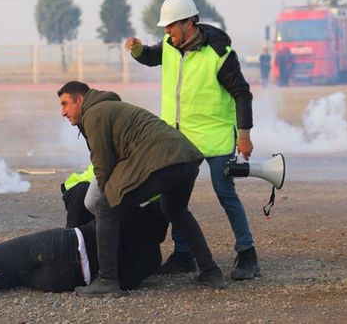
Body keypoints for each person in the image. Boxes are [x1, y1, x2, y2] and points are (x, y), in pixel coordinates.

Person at [124, 0, 260, 281]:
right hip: (179, 140)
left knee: (225, 193)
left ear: (189, 23)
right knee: (175, 198)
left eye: (172, 26)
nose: (167, 32)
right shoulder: (170, 46)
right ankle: (184, 255)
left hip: (216, 137)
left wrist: (244, 135)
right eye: (165, 28)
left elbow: (242, 93)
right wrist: (137, 50)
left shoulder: (220, 55)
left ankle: (247, 255)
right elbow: (151, 56)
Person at [58, 81, 227, 297]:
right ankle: (211, 272)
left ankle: (108, 280)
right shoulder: (110, 108)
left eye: (65, 104)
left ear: (80, 99)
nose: (63, 112)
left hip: (162, 160)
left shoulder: (94, 113)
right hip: (187, 158)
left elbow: (103, 165)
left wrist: (107, 201)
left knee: (106, 208)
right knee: (176, 211)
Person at [0, 177, 168, 301]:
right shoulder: (153, 260)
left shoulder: (129, 213)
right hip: (67, 281)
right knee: (22, 276)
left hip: (64, 245)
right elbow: (126, 282)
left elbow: (95, 203)